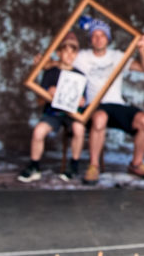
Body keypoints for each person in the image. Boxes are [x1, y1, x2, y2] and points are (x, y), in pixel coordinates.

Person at [73, 18, 144, 184]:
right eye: (94, 35)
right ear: (90, 39)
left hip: (117, 105)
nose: (98, 39)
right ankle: (94, 166)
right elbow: (61, 61)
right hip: (94, 105)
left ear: (108, 38)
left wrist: (142, 50)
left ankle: (136, 164)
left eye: (102, 35)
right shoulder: (82, 57)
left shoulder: (118, 56)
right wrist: (45, 63)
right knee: (99, 119)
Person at [17, 31, 87, 183]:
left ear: (76, 55)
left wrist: (81, 102)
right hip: (53, 113)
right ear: (58, 53)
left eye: (73, 52)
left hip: (71, 115)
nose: (69, 55)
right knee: (38, 131)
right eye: (65, 51)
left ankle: (74, 166)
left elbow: (83, 104)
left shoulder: (80, 76)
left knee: (79, 129)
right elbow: (40, 102)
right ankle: (34, 166)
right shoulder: (50, 72)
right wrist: (47, 94)